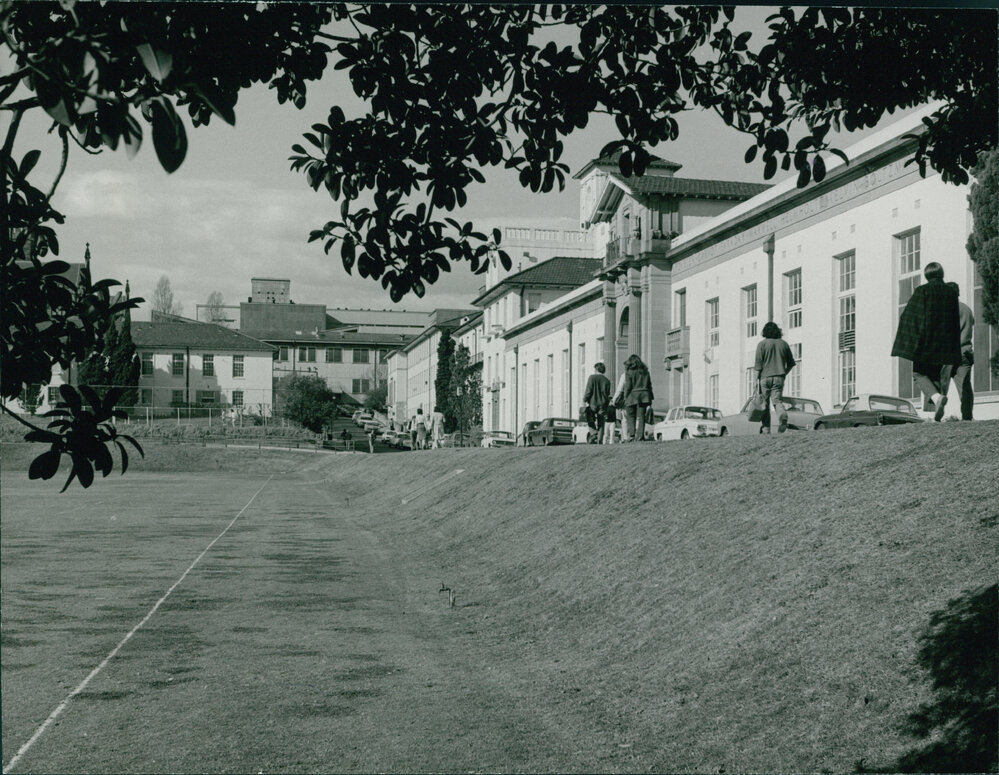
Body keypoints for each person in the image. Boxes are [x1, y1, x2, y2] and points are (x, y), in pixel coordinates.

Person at [891, 262, 961, 421]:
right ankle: (936, 411)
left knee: (918, 374)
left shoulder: (922, 291)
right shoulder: (951, 293)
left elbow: (911, 317)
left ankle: (937, 399)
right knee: (935, 377)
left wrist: (909, 341)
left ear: (927, 275)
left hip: (927, 343)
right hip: (946, 344)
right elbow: (954, 321)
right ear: (941, 274)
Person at [754, 321, 796, 434]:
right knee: (777, 401)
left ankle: (766, 429)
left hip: (764, 377)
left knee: (765, 404)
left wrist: (755, 381)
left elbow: (758, 365)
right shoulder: (784, 344)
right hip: (779, 377)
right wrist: (783, 373)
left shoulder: (762, 344)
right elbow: (791, 363)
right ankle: (783, 417)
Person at [947, 282, 975, 420]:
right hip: (965, 352)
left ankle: (935, 414)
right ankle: (967, 416)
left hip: (948, 353)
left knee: (937, 384)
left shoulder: (946, 310)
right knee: (965, 387)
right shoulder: (967, 309)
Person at [613, 354, 654, 442]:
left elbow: (628, 386)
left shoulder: (629, 372)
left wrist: (625, 396)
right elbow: (649, 385)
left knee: (631, 416)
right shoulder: (645, 371)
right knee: (642, 416)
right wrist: (651, 398)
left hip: (632, 396)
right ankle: (640, 436)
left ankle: (632, 435)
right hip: (644, 396)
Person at [583, 362, 612, 445]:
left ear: (596, 369)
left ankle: (593, 433)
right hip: (603, 404)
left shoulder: (592, 378)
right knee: (601, 422)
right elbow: (607, 394)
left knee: (589, 418)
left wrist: (584, 399)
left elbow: (588, 390)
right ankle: (599, 440)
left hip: (593, 403)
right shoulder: (607, 380)